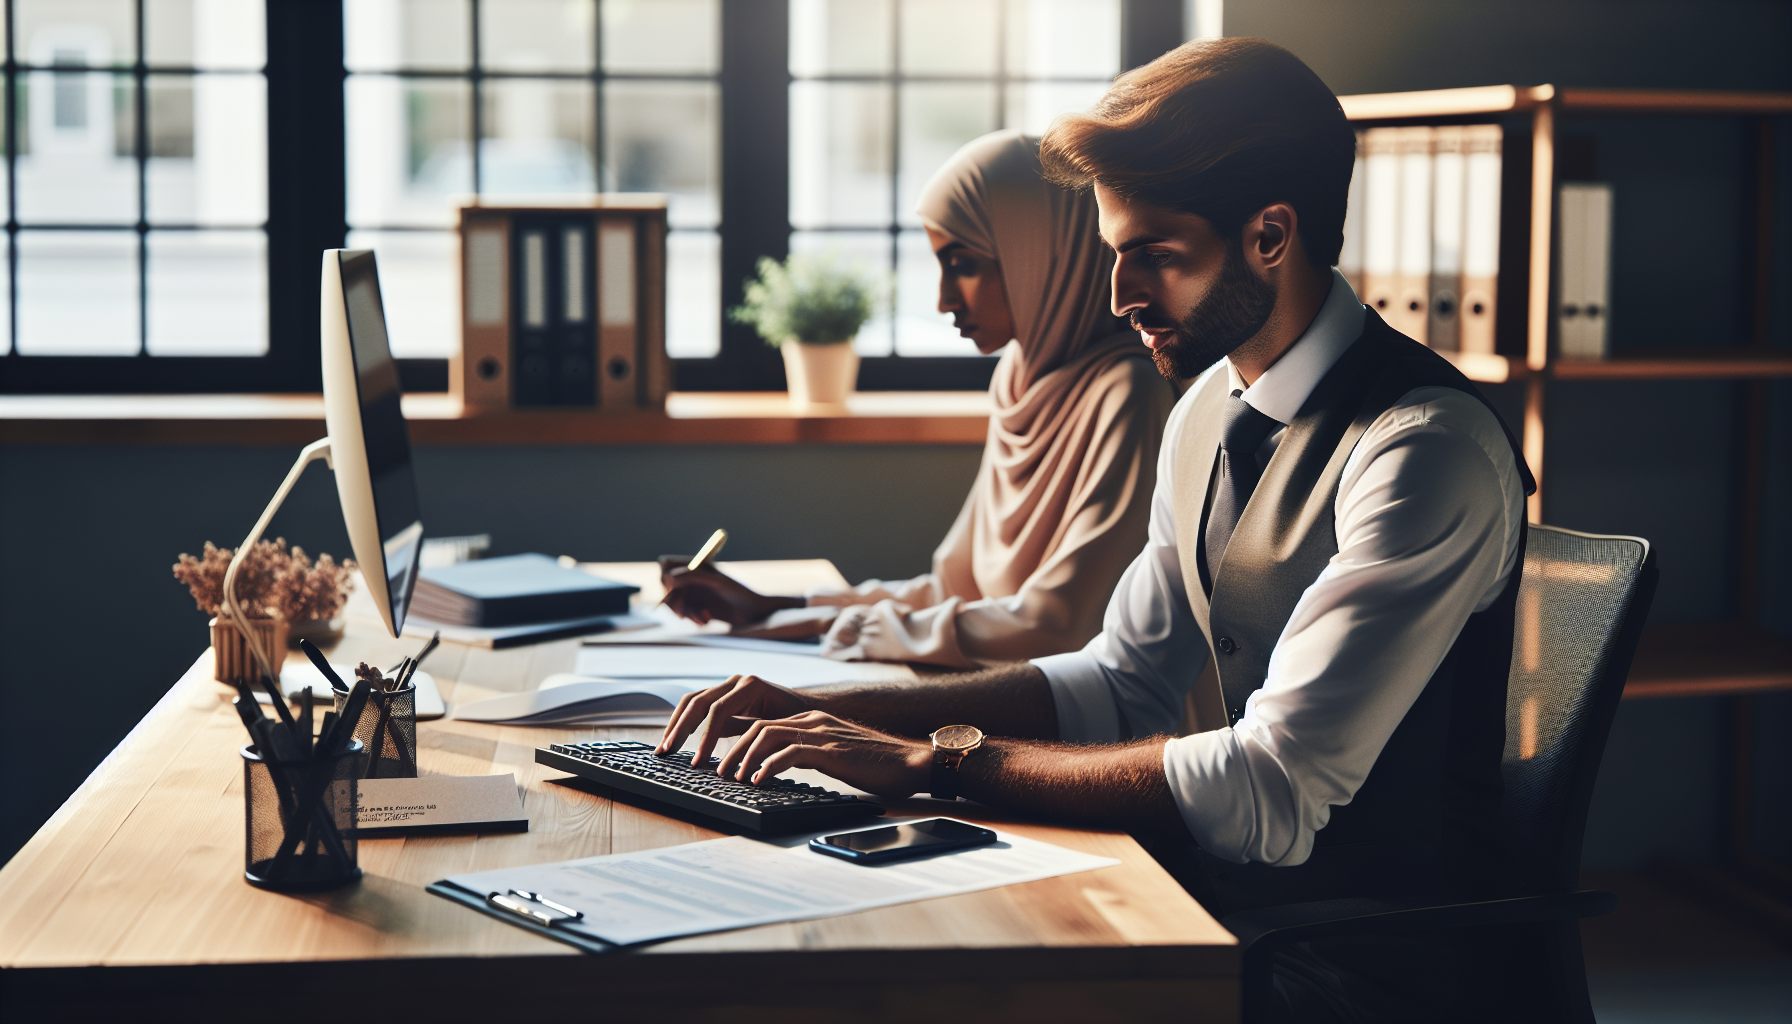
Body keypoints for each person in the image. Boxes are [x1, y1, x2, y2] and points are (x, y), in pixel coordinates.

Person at [658, 38, 1534, 1021]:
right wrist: (842, 711)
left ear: (1272, 236)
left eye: (1155, 256)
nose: (1120, 296)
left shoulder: (1421, 451)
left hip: (1363, 968)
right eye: (1115, 254)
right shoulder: (1207, 409)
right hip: (1218, 903)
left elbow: (1268, 789)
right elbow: (1120, 681)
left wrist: (933, 761)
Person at [662, 130, 1177, 667]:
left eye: (964, 264)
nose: (943, 300)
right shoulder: (1020, 380)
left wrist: (843, 628)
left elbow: (1055, 625)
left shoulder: (1128, 394)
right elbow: (956, 592)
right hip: (1009, 698)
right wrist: (780, 607)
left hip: (1089, 735)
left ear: (1038, 254)